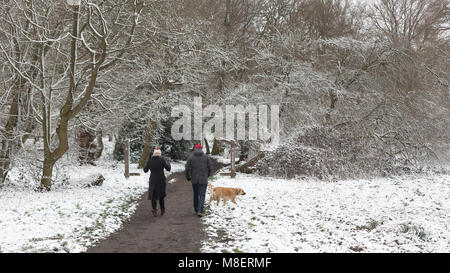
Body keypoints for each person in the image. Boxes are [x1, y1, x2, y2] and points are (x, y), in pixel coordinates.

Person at [185, 144, 212, 217]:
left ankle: (196, 209)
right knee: (202, 195)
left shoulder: (191, 157)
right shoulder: (206, 157)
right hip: (203, 179)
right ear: (201, 149)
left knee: (196, 194)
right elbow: (210, 168)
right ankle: (200, 210)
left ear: (195, 149)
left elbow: (187, 168)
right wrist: (208, 175)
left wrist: (188, 177)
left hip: (194, 179)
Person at [144, 146, 171, 217]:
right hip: (161, 180)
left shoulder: (150, 160)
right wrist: (168, 162)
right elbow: (168, 168)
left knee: (153, 196)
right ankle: (162, 209)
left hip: (153, 180)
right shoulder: (162, 160)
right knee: (161, 195)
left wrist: (147, 161)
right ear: (160, 154)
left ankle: (154, 210)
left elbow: (145, 170)